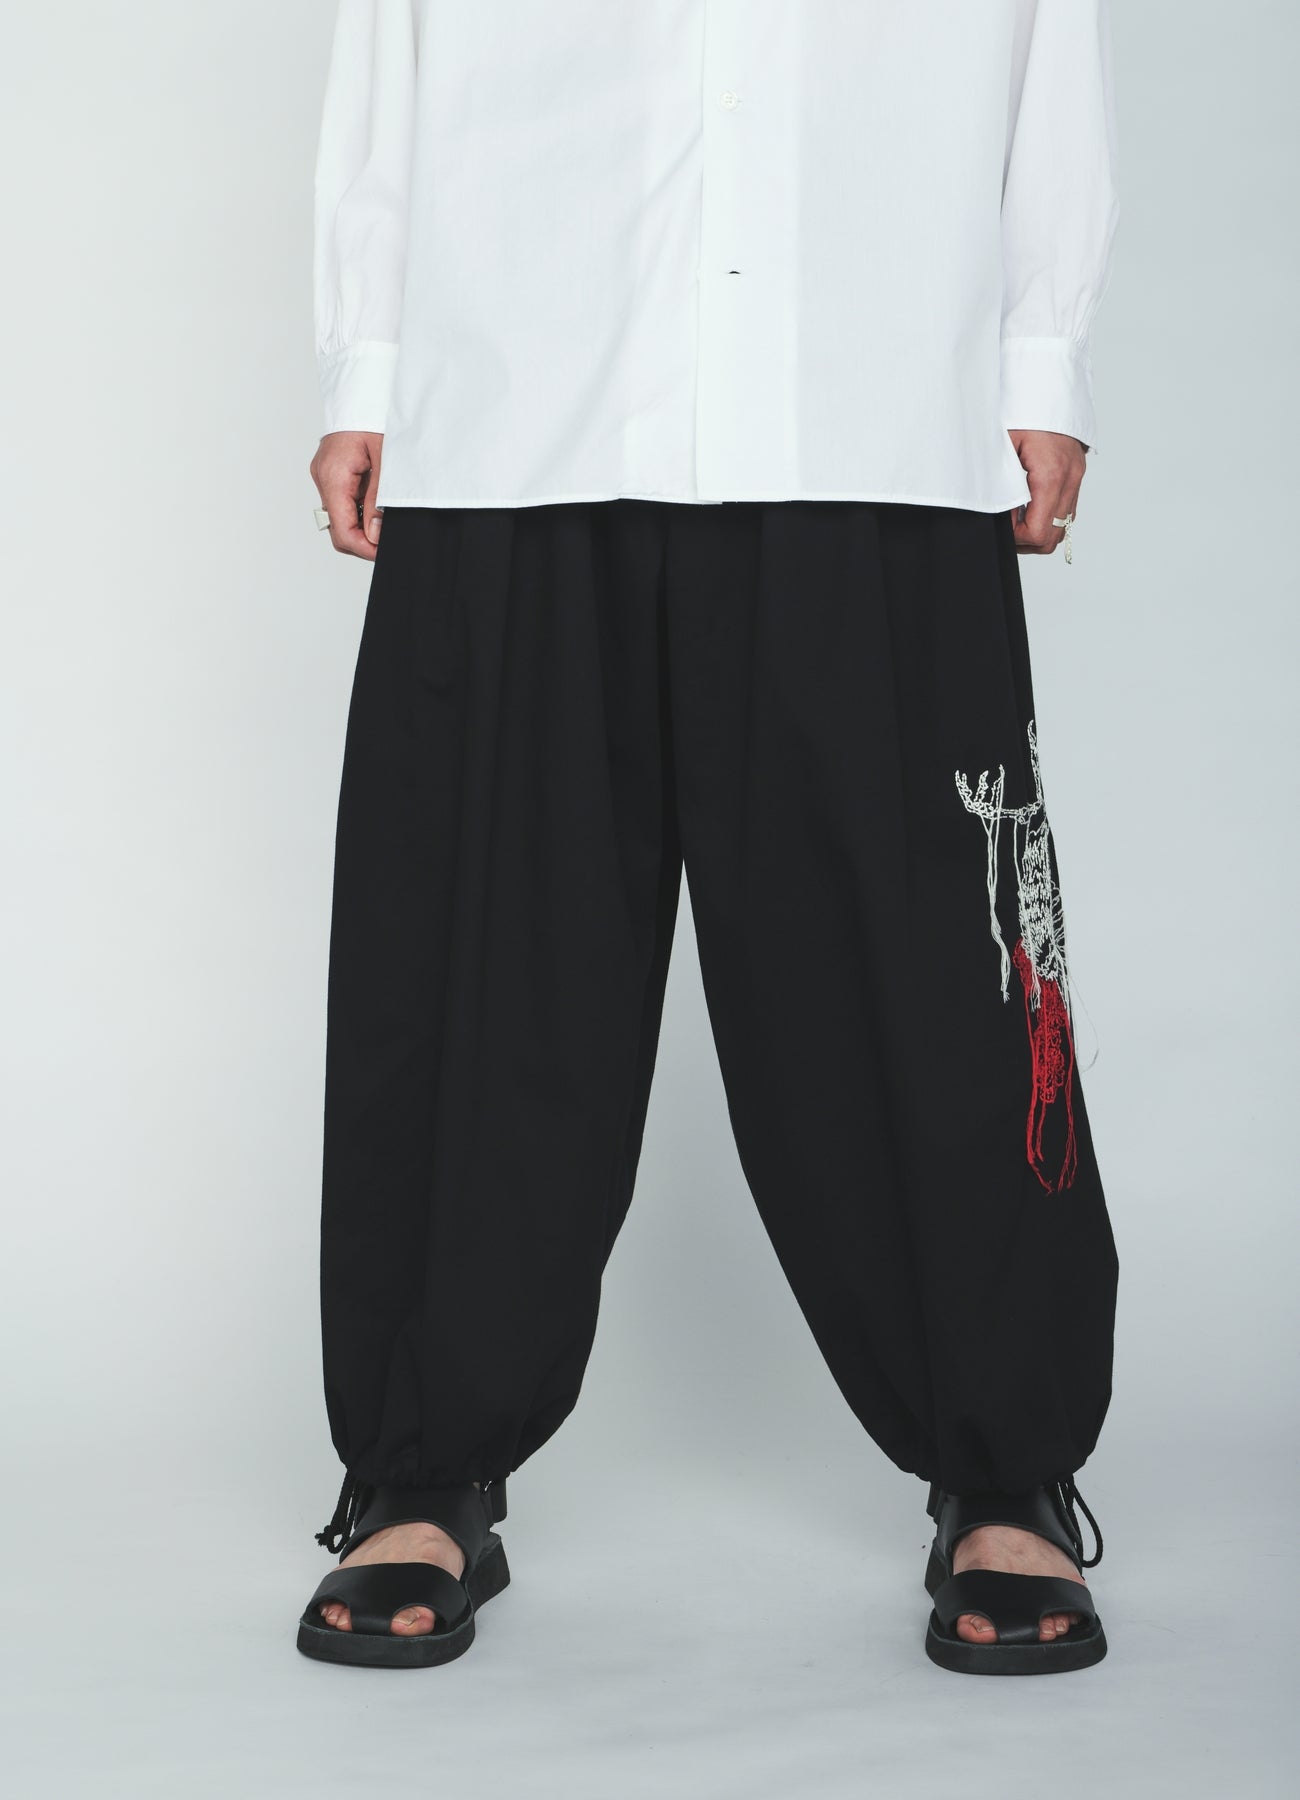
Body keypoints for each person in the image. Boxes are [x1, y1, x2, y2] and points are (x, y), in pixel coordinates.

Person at [299, 0, 1121, 1678]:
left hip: (868, 391)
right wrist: (371, 356)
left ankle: (1002, 1465)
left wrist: (1038, 350)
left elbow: (1047, 34)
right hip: (522, 380)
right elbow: (396, 30)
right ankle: (422, 1464)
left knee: (926, 975)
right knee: (478, 956)